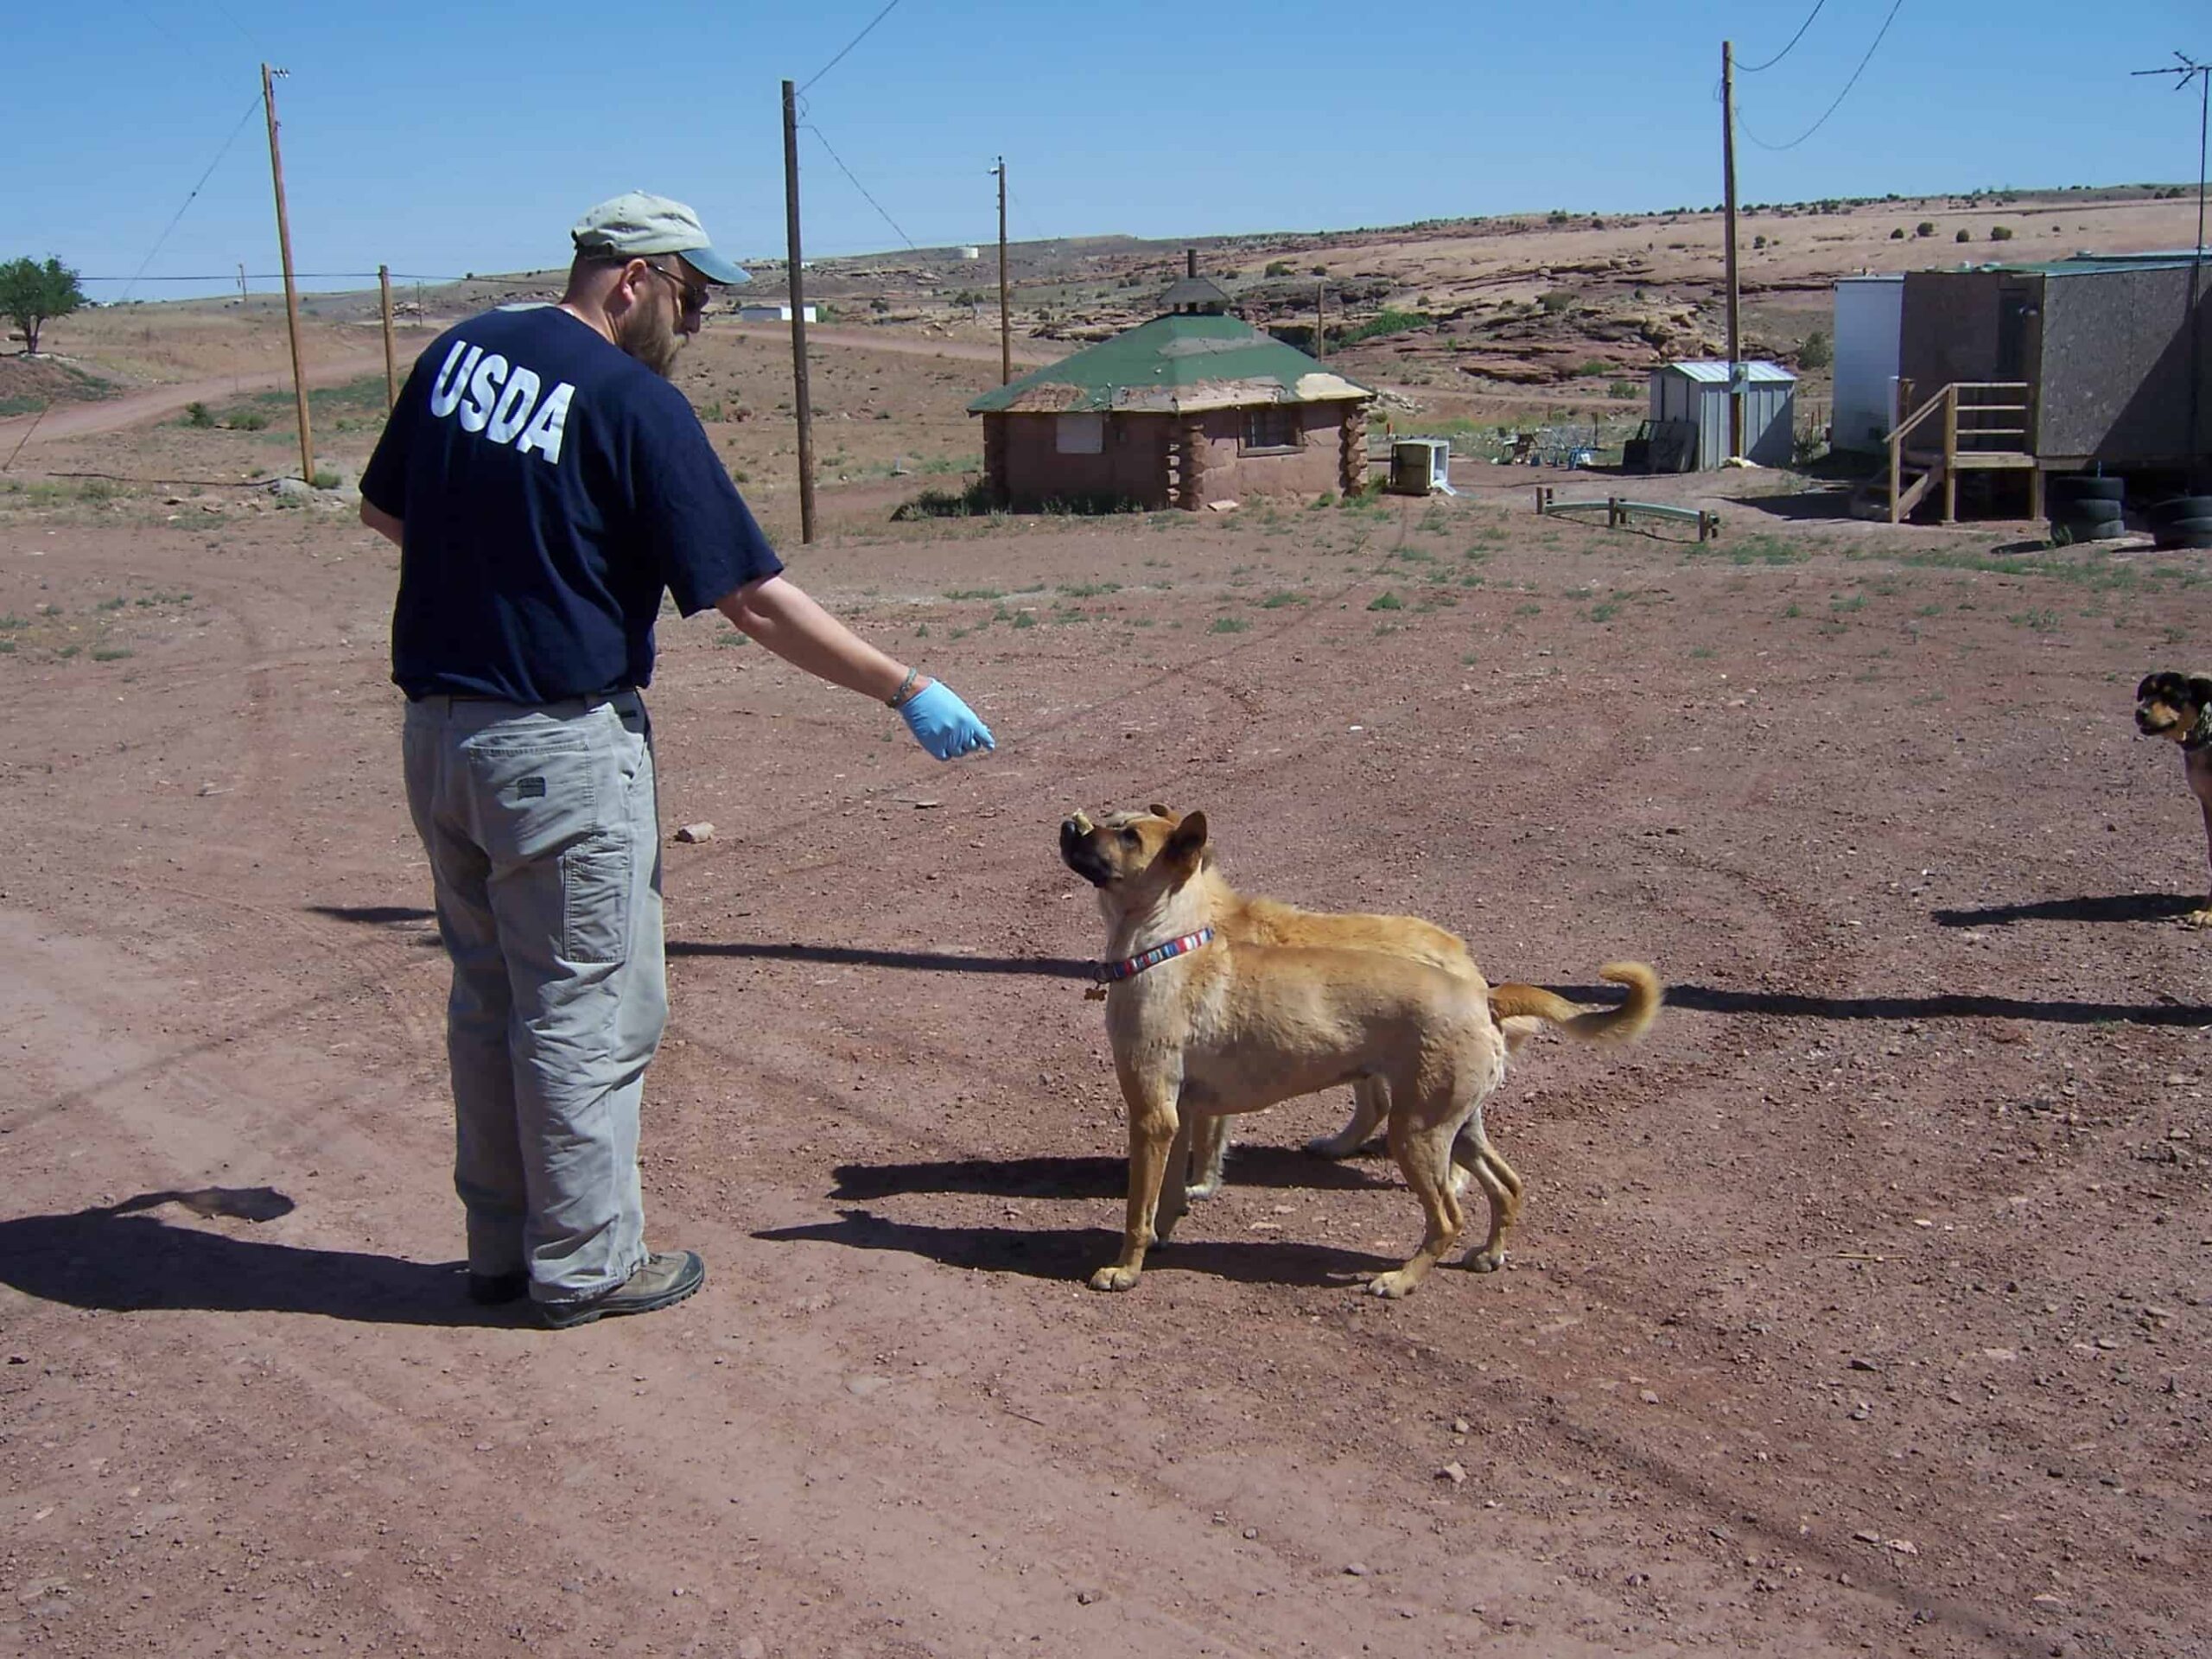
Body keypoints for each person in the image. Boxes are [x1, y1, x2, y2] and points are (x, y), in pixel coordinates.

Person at [358, 191, 993, 1329]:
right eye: (694, 300)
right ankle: (589, 1264)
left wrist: (507, 574)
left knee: (490, 999)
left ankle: (501, 1254)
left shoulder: (461, 352)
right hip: (556, 745)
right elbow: (752, 600)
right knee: (584, 1008)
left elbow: (388, 512)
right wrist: (905, 685)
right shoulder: (627, 399)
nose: (696, 326)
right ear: (635, 279)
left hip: (440, 736)